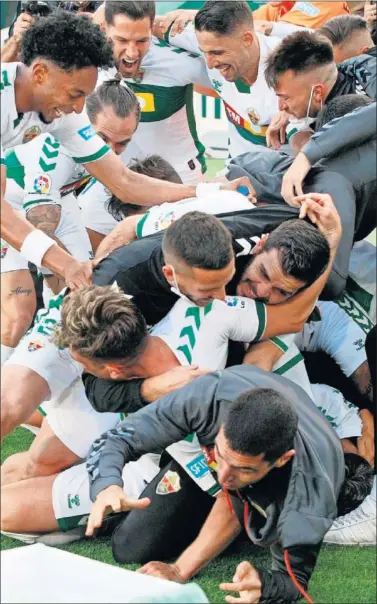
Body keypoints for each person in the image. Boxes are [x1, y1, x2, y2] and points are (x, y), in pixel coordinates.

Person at [1, 13, 246, 291]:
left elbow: (124, 182)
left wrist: (207, 191)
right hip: (20, 197)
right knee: (18, 307)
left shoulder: (66, 114)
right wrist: (65, 265)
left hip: (50, 198)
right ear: (41, 74)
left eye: (85, 95)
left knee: (81, 289)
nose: (81, 108)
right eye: (74, 95)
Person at [81, 366, 346, 603]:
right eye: (220, 454)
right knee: (130, 546)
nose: (222, 478)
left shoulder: (309, 499)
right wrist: (107, 485)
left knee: (262, 518)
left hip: (300, 470)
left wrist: (264, 585)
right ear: (221, 426)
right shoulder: (206, 398)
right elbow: (118, 439)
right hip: (238, 409)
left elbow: (294, 582)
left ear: (281, 460)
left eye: (244, 468)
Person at [1, 80, 140, 364]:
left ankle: (59, 370)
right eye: (103, 139)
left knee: (84, 295)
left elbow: (131, 184)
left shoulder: (103, 133)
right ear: (85, 123)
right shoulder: (56, 151)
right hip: (13, 207)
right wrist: (61, 270)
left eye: (123, 143)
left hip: (59, 202)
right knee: (17, 318)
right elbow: (38, 225)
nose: (111, 152)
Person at [78, 0, 214, 251]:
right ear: (105, 29)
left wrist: (197, 20)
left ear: (153, 28)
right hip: (114, 178)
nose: (131, 52)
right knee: (89, 249)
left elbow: (236, 76)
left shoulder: (176, 61)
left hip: (176, 179)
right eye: (122, 40)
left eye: (142, 41)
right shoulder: (88, 54)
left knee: (176, 260)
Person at [154, 0, 283, 157]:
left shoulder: (292, 64)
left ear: (247, 39)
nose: (209, 64)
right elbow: (145, 25)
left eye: (217, 53)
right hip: (238, 168)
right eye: (204, 52)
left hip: (288, 172)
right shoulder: (209, 39)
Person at [264, 29, 376, 152]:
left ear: (317, 93)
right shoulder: (331, 79)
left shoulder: (358, 113)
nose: (281, 108)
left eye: (286, 98)